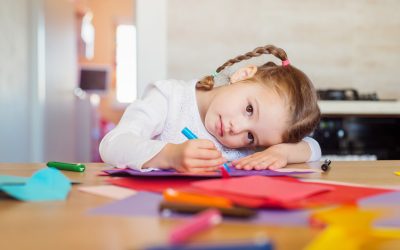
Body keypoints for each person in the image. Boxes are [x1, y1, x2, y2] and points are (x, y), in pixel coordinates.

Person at [99, 44, 321, 173]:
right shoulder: (168, 98)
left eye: (251, 137)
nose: (237, 129)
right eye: (250, 109)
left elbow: (313, 147)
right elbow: (112, 144)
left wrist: (281, 152)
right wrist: (170, 155)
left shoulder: (249, 143)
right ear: (243, 75)